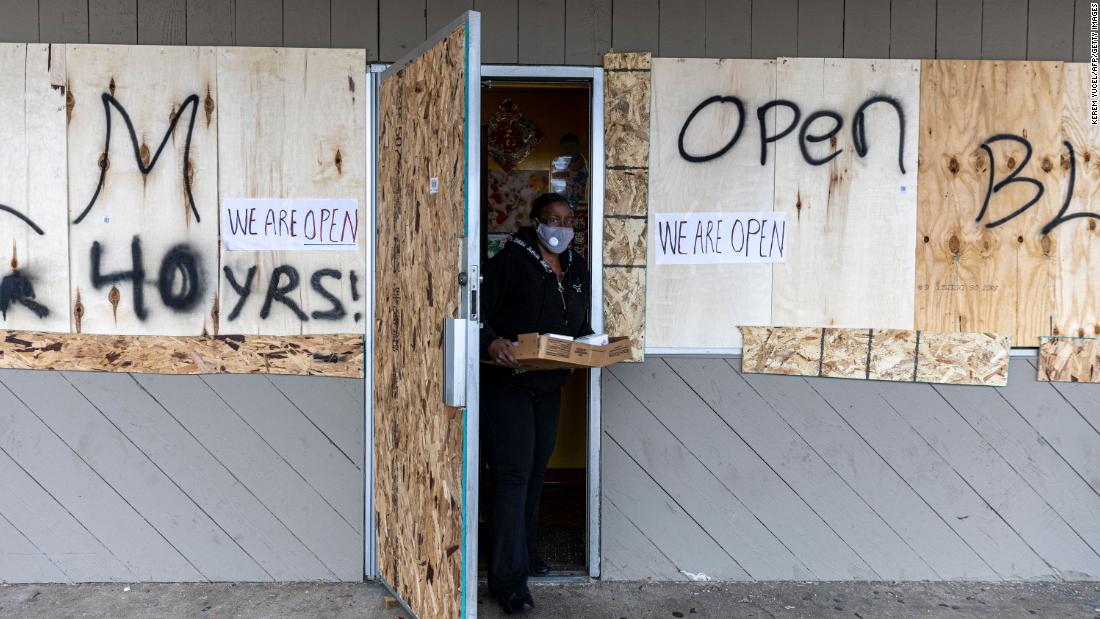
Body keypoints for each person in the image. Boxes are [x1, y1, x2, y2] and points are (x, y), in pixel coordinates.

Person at [479, 192, 592, 614]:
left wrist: (590, 346)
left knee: (535, 472)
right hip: (506, 383)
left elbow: (580, 324)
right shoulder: (509, 262)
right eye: (551, 219)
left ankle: (523, 552)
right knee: (512, 474)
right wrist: (490, 341)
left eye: (567, 220)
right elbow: (475, 312)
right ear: (535, 221)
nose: (560, 228)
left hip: (548, 384)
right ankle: (508, 582)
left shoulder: (576, 267)